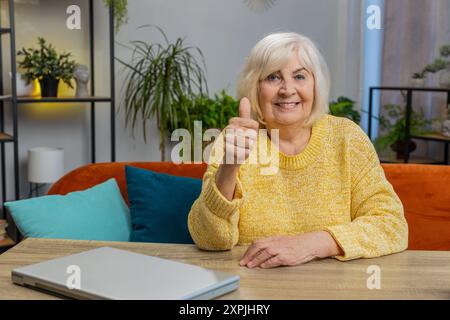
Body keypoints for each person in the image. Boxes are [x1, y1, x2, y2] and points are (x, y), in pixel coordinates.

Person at [188, 32, 408, 269]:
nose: (287, 89)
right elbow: (210, 240)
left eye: (300, 76)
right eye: (273, 77)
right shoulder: (237, 140)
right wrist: (229, 167)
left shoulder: (346, 137)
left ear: (316, 85)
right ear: (255, 87)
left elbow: (392, 225)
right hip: (256, 291)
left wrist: (312, 244)